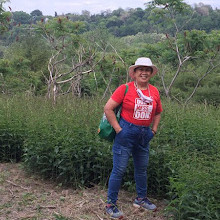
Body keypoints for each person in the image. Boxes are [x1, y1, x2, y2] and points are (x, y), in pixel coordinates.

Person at [104, 57, 163, 219]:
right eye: (141, 69)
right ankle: (111, 204)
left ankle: (141, 199)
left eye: (147, 70)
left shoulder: (154, 91)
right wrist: (118, 129)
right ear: (134, 73)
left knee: (142, 169)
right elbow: (108, 108)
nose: (144, 72)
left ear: (151, 73)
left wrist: (154, 130)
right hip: (126, 133)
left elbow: (158, 112)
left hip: (145, 135)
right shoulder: (125, 88)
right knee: (119, 169)